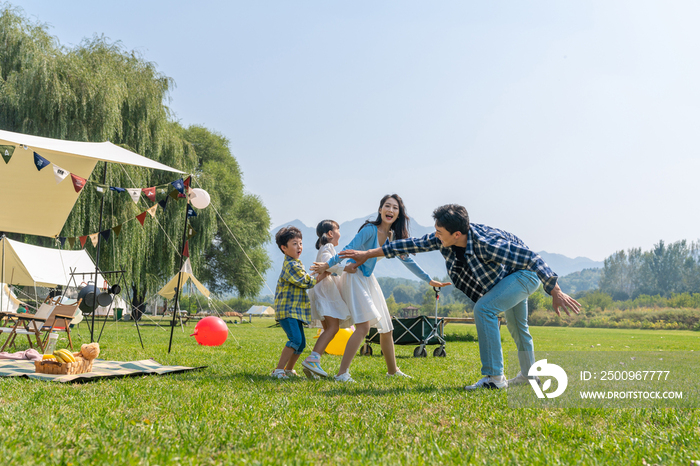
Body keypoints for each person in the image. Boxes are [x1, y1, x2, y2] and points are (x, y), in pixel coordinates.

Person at [339, 203, 581, 390]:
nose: (435, 235)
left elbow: (532, 257)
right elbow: (408, 245)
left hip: (524, 274)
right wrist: (367, 254)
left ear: (457, 234)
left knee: (485, 309)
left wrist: (555, 290)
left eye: (439, 231)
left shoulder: (487, 243)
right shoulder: (443, 239)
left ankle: (494, 377)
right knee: (518, 327)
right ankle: (529, 375)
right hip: (507, 278)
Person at [312, 194, 449, 382]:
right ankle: (342, 374)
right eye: (387, 206)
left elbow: (407, 259)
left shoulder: (392, 237)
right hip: (354, 276)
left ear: (399, 213)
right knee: (363, 327)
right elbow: (347, 250)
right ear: (380, 210)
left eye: (395, 208)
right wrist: (326, 266)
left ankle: (392, 371)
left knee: (387, 327)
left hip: (368, 279)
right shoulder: (369, 230)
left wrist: (429, 280)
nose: (390, 210)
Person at [271, 226, 329, 379]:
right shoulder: (291, 265)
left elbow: (305, 278)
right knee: (295, 340)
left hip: (295, 311)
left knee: (301, 343)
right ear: (284, 248)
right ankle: (278, 370)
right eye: (295, 244)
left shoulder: (296, 263)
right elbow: (306, 282)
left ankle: (289, 370)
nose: (299, 247)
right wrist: (324, 273)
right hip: (288, 311)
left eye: (301, 243)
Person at [301, 220, 355, 380]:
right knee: (333, 328)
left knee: (329, 329)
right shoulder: (328, 247)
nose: (340, 233)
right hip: (326, 293)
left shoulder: (326, 247)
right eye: (338, 229)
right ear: (330, 233)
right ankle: (313, 359)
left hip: (322, 292)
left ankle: (313, 363)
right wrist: (345, 268)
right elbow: (327, 265)